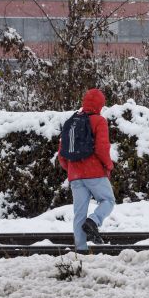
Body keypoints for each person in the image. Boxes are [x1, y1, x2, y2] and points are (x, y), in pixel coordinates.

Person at [58, 88, 115, 252]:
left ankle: (81, 250)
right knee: (108, 200)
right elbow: (102, 148)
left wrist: (71, 169)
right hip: (95, 172)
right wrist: (108, 166)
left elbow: (62, 152)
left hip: (75, 175)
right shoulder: (99, 121)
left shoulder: (71, 122)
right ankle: (94, 220)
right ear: (100, 105)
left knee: (79, 213)